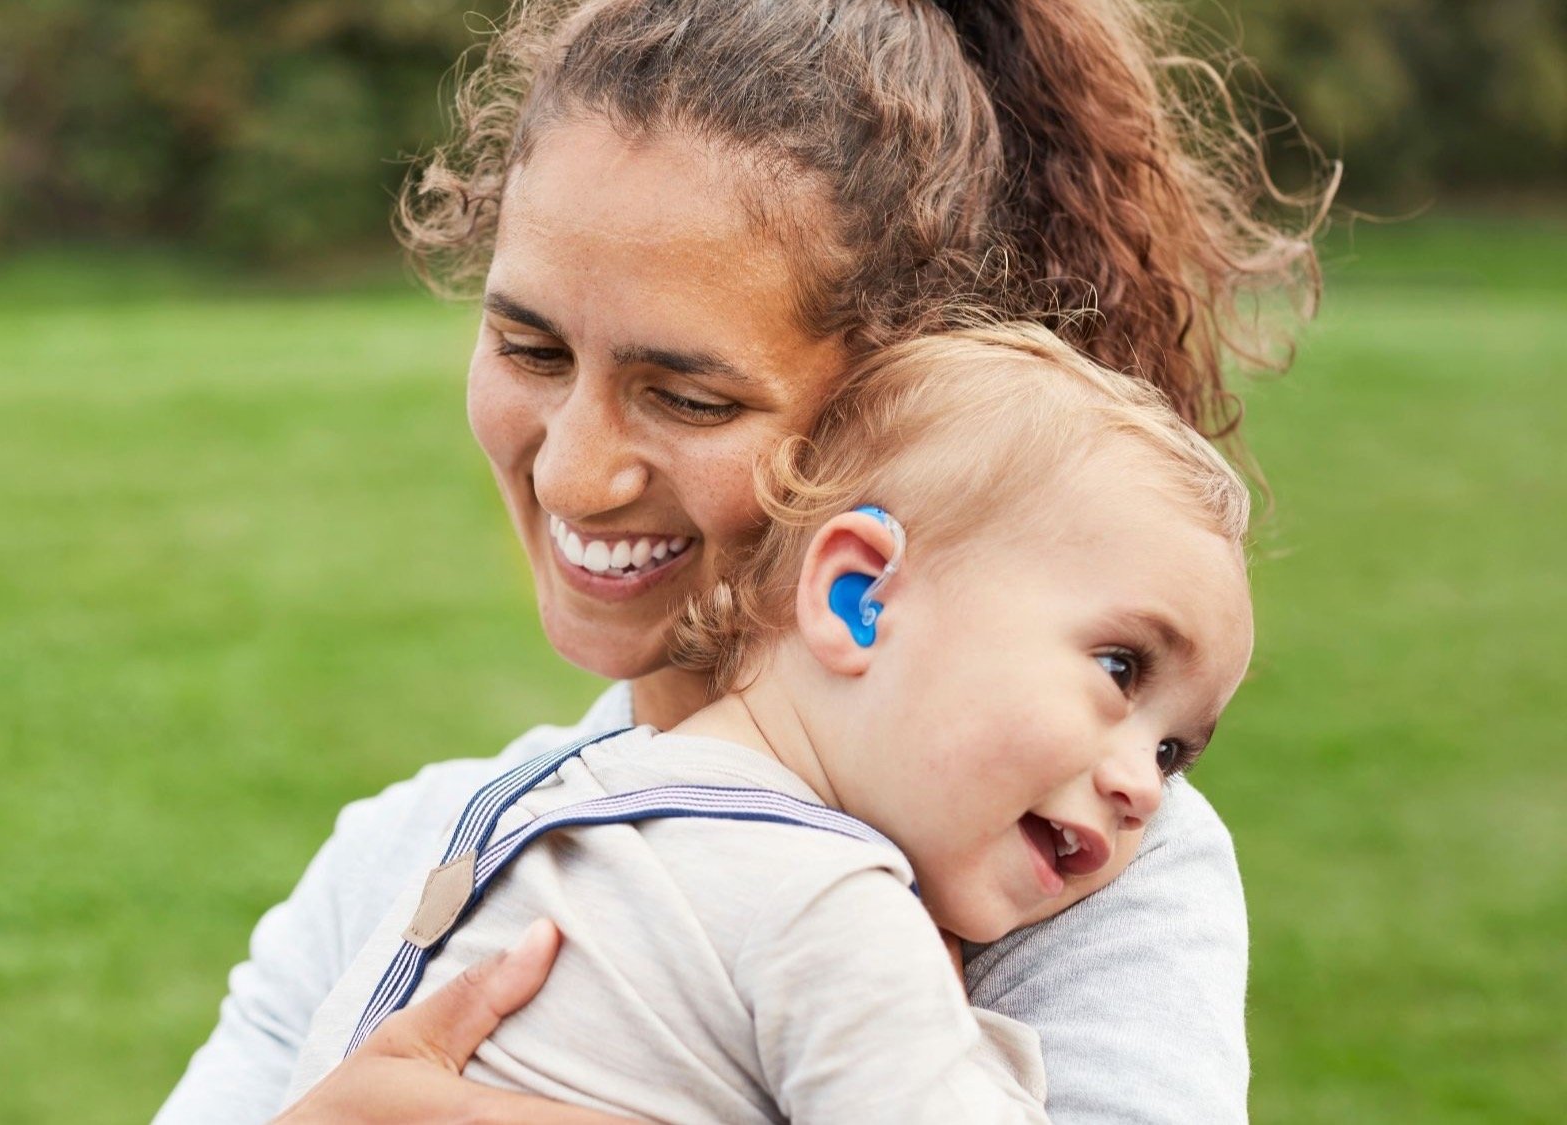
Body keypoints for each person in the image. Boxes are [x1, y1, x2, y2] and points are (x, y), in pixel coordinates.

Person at [156, 0, 1330, 1121]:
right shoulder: (411, 849)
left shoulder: (1067, 860)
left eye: (688, 397)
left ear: (904, 410)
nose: (570, 476)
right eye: (528, 347)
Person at [277, 325, 1256, 1122]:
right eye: (1118, 668)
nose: (1143, 785)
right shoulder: (831, 911)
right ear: (859, 597)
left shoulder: (539, 813)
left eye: (1173, 749)